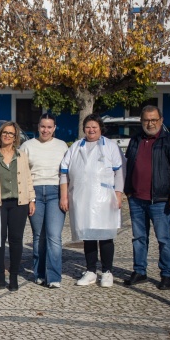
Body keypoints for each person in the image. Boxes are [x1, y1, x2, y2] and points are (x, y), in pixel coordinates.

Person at [123, 105, 170, 290]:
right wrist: (128, 190)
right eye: (146, 120)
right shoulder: (135, 140)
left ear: (161, 120)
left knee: (163, 239)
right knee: (139, 238)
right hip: (137, 198)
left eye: (153, 120)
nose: (150, 123)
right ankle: (140, 271)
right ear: (141, 121)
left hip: (160, 200)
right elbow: (129, 165)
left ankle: (166, 274)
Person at [60, 114, 125, 288]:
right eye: (88, 127)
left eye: (94, 127)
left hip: (105, 199)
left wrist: (118, 194)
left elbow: (119, 172)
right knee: (87, 237)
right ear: (84, 129)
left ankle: (107, 272)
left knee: (105, 236)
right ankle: (90, 271)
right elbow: (64, 171)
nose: (91, 130)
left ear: (100, 128)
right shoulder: (75, 147)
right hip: (82, 200)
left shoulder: (110, 146)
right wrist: (64, 195)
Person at [20, 113, 69, 288]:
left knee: (54, 236)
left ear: (54, 128)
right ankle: (39, 273)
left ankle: (54, 276)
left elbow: (66, 173)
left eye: (49, 127)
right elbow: (23, 174)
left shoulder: (62, 146)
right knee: (38, 236)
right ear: (38, 127)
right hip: (35, 194)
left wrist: (65, 196)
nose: (45, 130)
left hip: (56, 192)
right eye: (43, 126)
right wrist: (30, 198)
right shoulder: (27, 146)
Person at [0, 122, 36, 291]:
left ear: (15, 137)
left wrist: (31, 199)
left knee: (16, 240)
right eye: (5, 132)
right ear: (0, 135)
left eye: (11, 134)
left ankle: (13, 276)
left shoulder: (22, 155)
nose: (7, 136)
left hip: (19, 203)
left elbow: (27, 179)